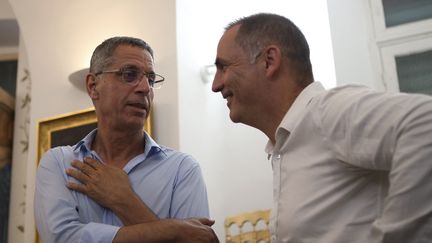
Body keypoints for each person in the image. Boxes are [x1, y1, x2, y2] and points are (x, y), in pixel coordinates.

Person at [211, 13, 432, 242]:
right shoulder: (287, 144)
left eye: (223, 67)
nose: (215, 85)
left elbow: (426, 124)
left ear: (269, 61)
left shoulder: (326, 113)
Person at [34, 36, 218, 243]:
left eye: (150, 79)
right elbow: (62, 238)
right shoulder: (58, 163)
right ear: (93, 86)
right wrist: (175, 230)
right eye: (129, 75)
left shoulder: (182, 170)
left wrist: (123, 200)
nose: (145, 88)